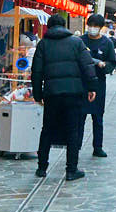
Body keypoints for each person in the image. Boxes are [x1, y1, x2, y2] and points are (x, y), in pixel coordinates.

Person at [29, 12, 97, 181]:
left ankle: (42, 167)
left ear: (49, 27)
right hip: (74, 93)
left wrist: (38, 94)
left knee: (47, 129)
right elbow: (88, 66)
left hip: (52, 93)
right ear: (65, 26)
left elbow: (36, 72)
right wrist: (91, 88)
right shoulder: (76, 42)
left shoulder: (43, 44)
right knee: (73, 130)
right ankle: (71, 170)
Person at [80, 14, 116, 158]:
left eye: (96, 26)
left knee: (98, 116)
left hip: (99, 83)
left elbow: (112, 63)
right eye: (91, 25)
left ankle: (98, 146)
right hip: (82, 82)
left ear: (101, 28)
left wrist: (104, 66)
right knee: (80, 116)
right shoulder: (80, 41)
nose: (93, 28)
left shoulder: (106, 43)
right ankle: (76, 145)